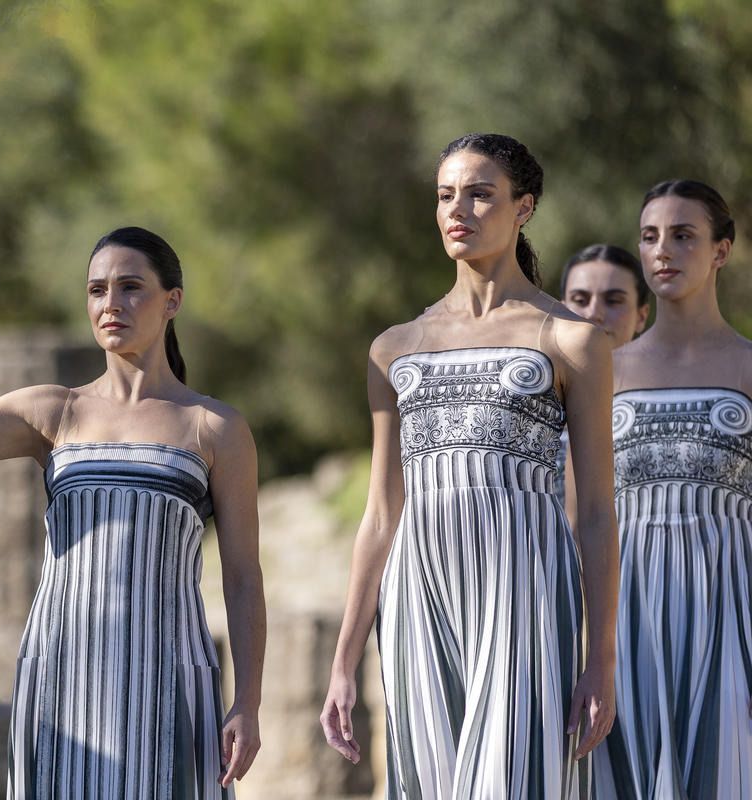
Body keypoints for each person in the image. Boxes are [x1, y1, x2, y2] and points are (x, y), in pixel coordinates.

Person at [0, 226, 265, 798]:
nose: (111, 303)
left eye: (131, 287)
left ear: (172, 301)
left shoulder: (215, 427)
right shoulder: (54, 412)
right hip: (64, 673)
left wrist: (248, 702)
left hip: (169, 675)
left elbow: (242, 577)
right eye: (97, 290)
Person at [320, 133, 618, 798]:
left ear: (524, 208)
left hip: (526, 589)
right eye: (446, 195)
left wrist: (601, 659)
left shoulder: (572, 340)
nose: (458, 209)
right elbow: (380, 514)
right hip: (417, 594)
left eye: (481, 194)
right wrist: (343, 662)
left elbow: (598, 511)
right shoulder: (394, 349)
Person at [593, 180, 752, 799]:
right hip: (625, 623)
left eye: (684, 235)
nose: (663, 250)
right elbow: (584, 515)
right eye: (651, 236)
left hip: (730, 620)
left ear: (721, 251)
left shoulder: (747, 367)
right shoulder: (605, 373)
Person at [556, 244, 651, 509]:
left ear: (641, 316)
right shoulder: (531, 404)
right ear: (561, 309)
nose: (594, 314)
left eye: (613, 301)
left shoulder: (663, 411)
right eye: (580, 300)